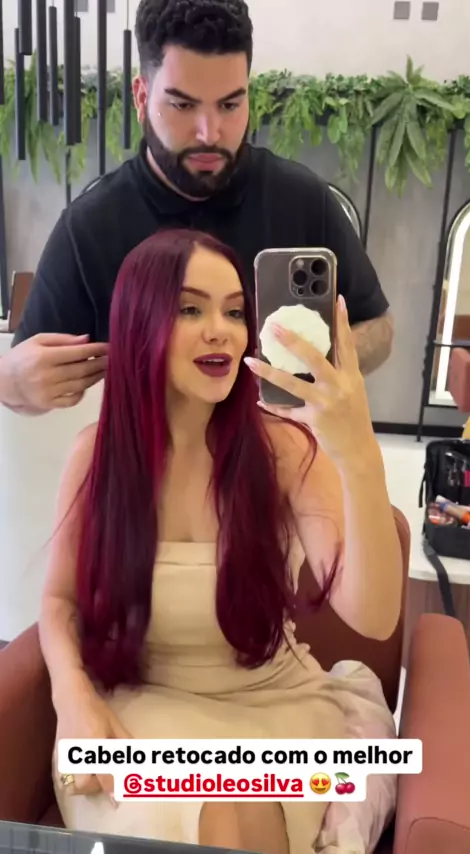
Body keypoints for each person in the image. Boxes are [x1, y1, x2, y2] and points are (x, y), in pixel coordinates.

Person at [39, 228, 402, 854]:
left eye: (235, 312)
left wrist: (358, 455)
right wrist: (70, 695)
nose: (222, 332)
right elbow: (58, 601)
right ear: (139, 322)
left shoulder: (283, 449)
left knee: (241, 802)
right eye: (190, 309)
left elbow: (373, 617)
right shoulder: (96, 456)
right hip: (143, 708)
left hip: (278, 708)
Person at [0, 0, 393, 417]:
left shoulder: (303, 199)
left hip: (280, 446)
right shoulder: (90, 227)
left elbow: (378, 328)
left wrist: (308, 367)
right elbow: (24, 385)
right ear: (141, 96)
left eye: (229, 105)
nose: (210, 133)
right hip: (146, 456)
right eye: (183, 105)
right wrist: (12, 381)